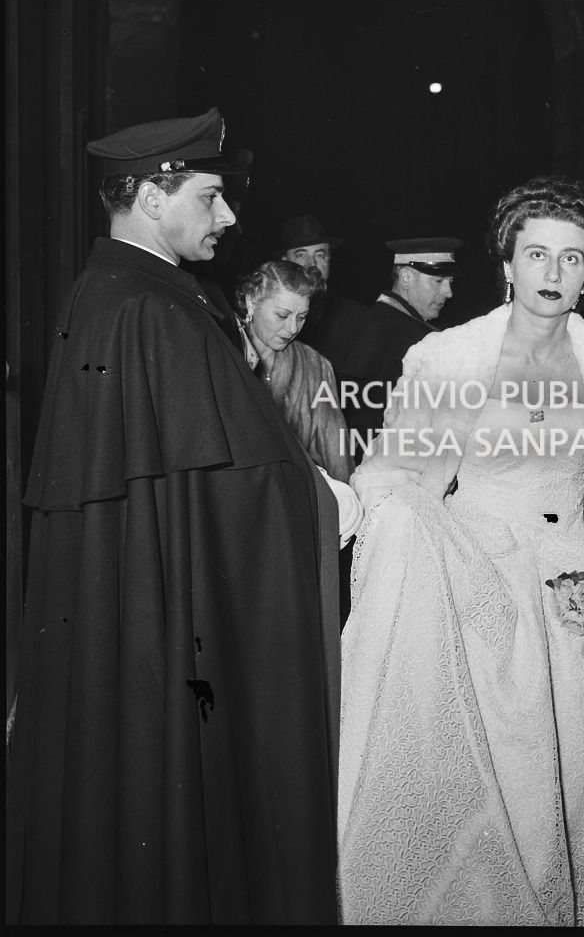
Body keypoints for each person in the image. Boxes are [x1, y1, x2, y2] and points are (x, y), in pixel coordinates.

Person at [6, 109, 340, 924]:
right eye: (210, 196)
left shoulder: (119, 293)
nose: (228, 217)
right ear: (152, 197)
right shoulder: (151, 309)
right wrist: (325, 497)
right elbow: (237, 485)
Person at [335, 176, 584, 926]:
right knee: (500, 780)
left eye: (572, 259)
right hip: (479, 583)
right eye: (537, 254)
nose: (553, 274)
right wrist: (354, 505)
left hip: (576, 582)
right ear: (507, 265)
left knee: (576, 784)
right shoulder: (449, 357)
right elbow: (399, 470)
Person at [235, 259, 355, 486]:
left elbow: (336, 453)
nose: (292, 329)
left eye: (301, 318)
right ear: (251, 302)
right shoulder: (226, 351)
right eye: (282, 315)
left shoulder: (316, 365)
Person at [338, 236, 459, 446]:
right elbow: (360, 417)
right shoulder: (386, 329)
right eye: (438, 281)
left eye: (450, 282)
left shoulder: (400, 323)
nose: (448, 292)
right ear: (405, 278)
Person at [277, 213, 369, 383]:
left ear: (329, 260)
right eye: (300, 255)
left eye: (320, 255)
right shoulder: (268, 313)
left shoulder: (357, 317)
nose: (312, 264)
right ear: (284, 261)